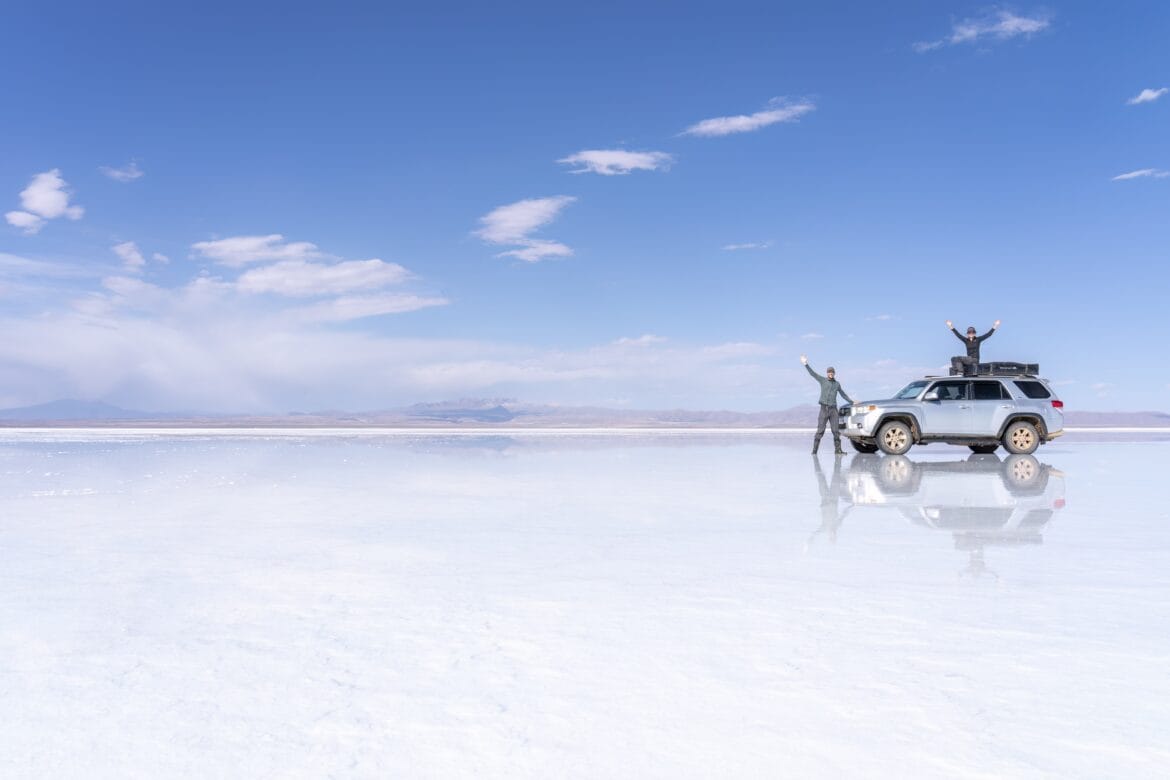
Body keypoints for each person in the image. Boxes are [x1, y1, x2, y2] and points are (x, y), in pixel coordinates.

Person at [801, 355, 854, 455]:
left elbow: (842, 394)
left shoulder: (837, 384)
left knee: (836, 431)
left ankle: (838, 450)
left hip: (834, 410)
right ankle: (814, 451)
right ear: (827, 373)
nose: (831, 373)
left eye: (832, 372)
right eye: (829, 372)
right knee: (820, 430)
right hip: (824, 409)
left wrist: (852, 402)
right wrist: (806, 364)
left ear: (834, 374)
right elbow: (812, 374)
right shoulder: (822, 380)